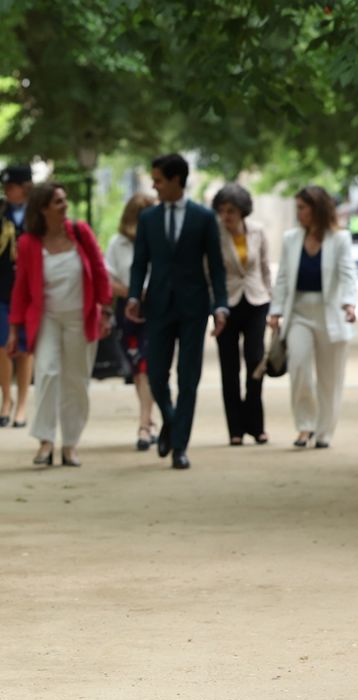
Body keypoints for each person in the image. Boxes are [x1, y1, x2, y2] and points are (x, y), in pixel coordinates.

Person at [125, 153, 229, 470]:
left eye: (158, 180)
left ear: (175, 180)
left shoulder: (203, 217)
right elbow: (140, 261)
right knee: (156, 374)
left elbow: (216, 266)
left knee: (188, 377)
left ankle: (180, 446)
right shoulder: (148, 219)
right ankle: (171, 421)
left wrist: (220, 305)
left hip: (193, 307)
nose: (154, 187)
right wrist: (132, 296)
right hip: (157, 306)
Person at [6, 182, 112, 467]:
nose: (64, 206)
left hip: (81, 317)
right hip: (47, 319)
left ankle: (70, 444)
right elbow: (21, 289)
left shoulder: (80, 232)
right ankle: (45, 441)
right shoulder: (29, 242)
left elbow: (100, 270)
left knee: (76, 381)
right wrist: (14, 329)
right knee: (48, 374)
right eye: (58, 202)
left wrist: (106, 309)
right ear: (43, 209)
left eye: (64, 200)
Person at [268, 185, 358, 448]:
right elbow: (283, 277)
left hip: (331, 313)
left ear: (317, 209)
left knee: (330, 378)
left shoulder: (339, 239)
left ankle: (324, 431)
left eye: (302, 208)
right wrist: (276, 310)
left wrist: (350, 303)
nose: (299, 213)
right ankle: (304, 426)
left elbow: (347, 273)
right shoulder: (291, 239)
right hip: (299, 313)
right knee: (299, 368)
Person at [212, 183, 273, 446]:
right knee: (229, 367)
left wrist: (274, 304)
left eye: (232, 211)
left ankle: (256, 424)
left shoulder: (257, 231)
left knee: (256, 362)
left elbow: (264, 268)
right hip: (226, 304)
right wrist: (215, 307)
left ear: (242, 211)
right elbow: (209, 274)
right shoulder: (213, 235)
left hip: (256, 301)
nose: (227, 216)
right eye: (223, 211)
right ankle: (235, 429)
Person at [0, 164, 34, 428]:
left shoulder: (37, 210)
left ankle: (23, 402)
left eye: (12, 186)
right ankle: (6, 398)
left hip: (28, 290)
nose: (7, 191)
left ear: (25, 187)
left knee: (25, 348)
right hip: (0, 287)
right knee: (1, 344)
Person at [105, 192, 158, 450]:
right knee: (139, 369)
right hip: (129, 311)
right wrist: (133, 292)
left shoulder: (161, 240)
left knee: (150, 366)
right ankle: (149, 417)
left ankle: (144, 425)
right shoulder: (118, 244)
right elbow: (109, 280)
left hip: (158, 310)